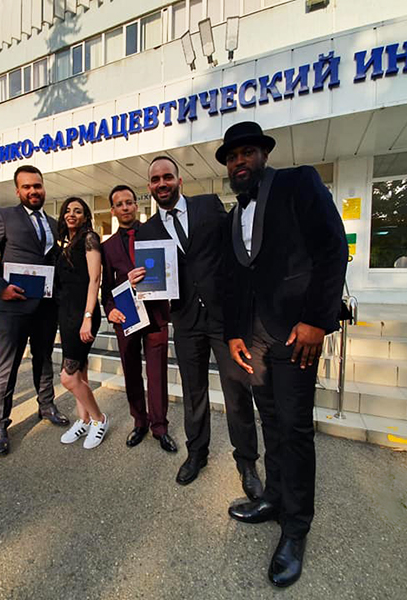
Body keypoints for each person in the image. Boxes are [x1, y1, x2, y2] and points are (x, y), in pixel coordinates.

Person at [218, 121, 347, 588]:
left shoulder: (299, 183)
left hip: (296, 334)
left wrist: (317, 319)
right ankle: (273, 496)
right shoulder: (235, 214)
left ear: (263, 155)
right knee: (270, 420)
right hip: (253, 339)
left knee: (294, 430)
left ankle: (296, 527)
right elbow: (237, 279)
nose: (239, 162)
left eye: (247, 152)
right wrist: (234, 333)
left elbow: (333, 249)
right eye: (232, 157)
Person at [136, 156, 261, 498]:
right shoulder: (146, 232)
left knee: (237, 392)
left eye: (167, 177)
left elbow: (234, 249)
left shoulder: (208, 206)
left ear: (179, 180)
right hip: (186, 321)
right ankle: (197, 454)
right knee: (194, 395)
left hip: (224, 319)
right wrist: (139, 282)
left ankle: (247, 463)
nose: (162, 184)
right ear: (149, 187)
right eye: (155, 180)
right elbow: (153, 286)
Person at [0, 165, 70, 456]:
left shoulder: (54, 223)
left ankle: (46, 405)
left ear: (44, 188)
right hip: (12, 305)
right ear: (18, 191)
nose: (33, 191)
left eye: (37, 186)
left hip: (45, 305)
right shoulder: (3, 216)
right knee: (8, 364)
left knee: (44, 358)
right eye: (27, 187)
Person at [100, 185, 177, 452]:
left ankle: (160, 427)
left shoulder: (156, 234)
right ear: (113, 210)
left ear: (136, 205)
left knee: (157, 375)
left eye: (129, 202)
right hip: (127, 318)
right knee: (132, 372)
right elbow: (106, 287)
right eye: (119, 204)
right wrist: (109, 309)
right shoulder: (107, 247)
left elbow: (170, 268)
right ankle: (140, 423)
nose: (125, 207)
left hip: (156, 315)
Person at [55, 197, 109, 449]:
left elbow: (94, 279)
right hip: (65, 314)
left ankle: (99, 418)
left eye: (77, 211)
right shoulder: (66, 243)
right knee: (79, 371)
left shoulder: (89, 238)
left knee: (67, 377)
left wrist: (87, 317)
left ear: (86, 216)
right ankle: (83, 420)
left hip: (82, 314)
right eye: (67, 210)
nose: (71, 214)